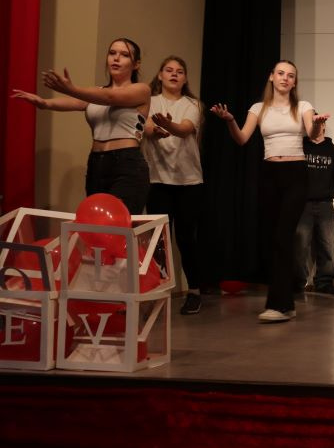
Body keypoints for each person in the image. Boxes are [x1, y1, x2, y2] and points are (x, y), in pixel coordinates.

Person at [209, 60, 327, 323]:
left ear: (294, 82)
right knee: (274, 239)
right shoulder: (258, 108)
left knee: (283, 237)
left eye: (291, 75)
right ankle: (286, 304)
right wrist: (230, 121)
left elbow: (311, 134)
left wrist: (318, 124)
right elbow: (242, 138)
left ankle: (279, 305)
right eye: (281, 73)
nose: (285, 78)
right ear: (272, 77)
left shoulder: (303, 106)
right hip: (269, 174)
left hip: (296, 174)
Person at [13, 38, 151, 214]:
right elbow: (75, 102)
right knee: (94, 222)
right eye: (112, 53)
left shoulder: (141, 90)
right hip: (96, 163)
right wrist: (44, 103)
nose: (116, 58)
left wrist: (71, 88)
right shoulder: (96, 93)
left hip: (127, 164)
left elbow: (110, 98)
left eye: (124, 55)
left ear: (136, 64)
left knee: (119, 222)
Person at [142, 55, 205, 314]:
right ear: (160, 75)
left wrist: (168, 124)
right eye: (169, 70)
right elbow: (146, 128)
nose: (174, 74)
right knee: (158, 241)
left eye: (179, 71)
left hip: (188, 181)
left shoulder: (193, 104)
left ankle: (194, 292)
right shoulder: (148, 101)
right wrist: (155, 129)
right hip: (157, 181)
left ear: (185, 78)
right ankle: (159, 293)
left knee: (186, 238)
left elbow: (185, 129)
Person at [296, 117, 334, 294]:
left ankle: (324, 283)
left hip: (325, 205)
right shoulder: (299, 148)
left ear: (323, 126)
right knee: (300, 246)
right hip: (302, 205)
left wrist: (326, 193)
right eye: (311, 124)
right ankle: (298, 283)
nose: (315, 127)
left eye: (318, 123)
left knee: (326, 246)